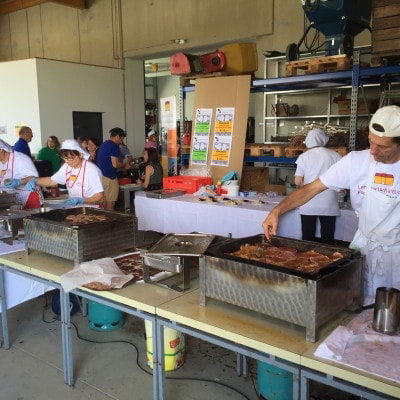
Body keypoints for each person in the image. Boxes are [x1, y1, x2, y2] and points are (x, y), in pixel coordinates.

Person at [263, 105, 400, 305]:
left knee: (391, 314)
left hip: (396, 254)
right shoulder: (356, 161)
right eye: (371, 141)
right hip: (364, 247)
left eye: (383, 146)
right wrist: (277, 210)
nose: (373, 150)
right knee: (355, 305)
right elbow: (311, 188)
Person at [294, 128, 341, 244]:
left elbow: (298, 181)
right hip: (329, 202)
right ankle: (329, 260)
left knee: (307, 237)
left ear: (308, 140)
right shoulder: (335, 155)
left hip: (308, 201)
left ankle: (306, 261)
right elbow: (342, 177)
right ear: (323, 140)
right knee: (328, 238)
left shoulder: (304, 157)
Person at [24, 139, 103, 207]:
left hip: (91, 208)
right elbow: (52, 181)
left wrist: (82, 200)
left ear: (80, 155)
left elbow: (99, 195)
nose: (67, 162)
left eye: (70, 159)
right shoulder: (67, 167)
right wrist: (35, 181)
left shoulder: (92, 170)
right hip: (74, 208)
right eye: (65, 159)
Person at [0, 139, 42, 209]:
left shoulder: (21, 158)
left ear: (1, 150)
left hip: (29, 196)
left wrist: (19, 181)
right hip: (10, 199)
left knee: (31, 218)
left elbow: (35, 178)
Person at [97, 127, 129, 210]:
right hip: (110, 177)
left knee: (104, 202)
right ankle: (109, 222)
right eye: (122, 139)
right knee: (111, 202)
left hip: (101, 177)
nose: (121, 141)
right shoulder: (114, 146)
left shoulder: (104, 144)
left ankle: (104, 221)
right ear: (118, 136)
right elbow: (115, 164)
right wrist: (125, 164)